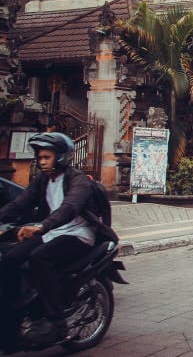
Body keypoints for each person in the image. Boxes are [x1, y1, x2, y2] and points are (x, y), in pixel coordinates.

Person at [0, 132, 115, 345]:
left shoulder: (77, 180)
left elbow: (69, 208)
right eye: (40, 157)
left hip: (78, 234)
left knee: (39, 258)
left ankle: (56, 321)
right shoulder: (43, 180)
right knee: (9, 259)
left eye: (47, 157)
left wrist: (41, 226)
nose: (42, 161)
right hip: (52, 232)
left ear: (60, 156)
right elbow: (20, 203)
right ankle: (11, 317)